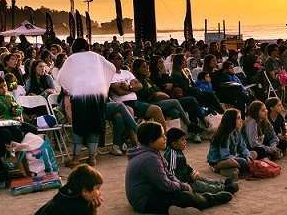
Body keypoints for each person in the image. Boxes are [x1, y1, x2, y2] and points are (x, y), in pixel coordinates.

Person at [125, 121, 233, 214]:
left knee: (183, 191)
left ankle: (175, 210)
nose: (165, 138)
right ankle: (213, 199)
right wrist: (184, 186)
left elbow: (168, 174)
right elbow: (166, 185)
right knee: (185, 197)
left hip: (153, 192)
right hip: (144, 201)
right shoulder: (149, 158)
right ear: (151, 141)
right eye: (161, 136)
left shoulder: (151, 152)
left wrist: (181, 184)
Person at [56, 38, 116, 167]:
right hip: (98, 94)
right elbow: (112, 68)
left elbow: (60, 77)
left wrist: (71, 88)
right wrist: (103, 84)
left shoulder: (72, 58)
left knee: (79, 126)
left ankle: (76, 159)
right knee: (95, 125)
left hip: (80, 94)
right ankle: (92, 157)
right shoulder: (97, 56)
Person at [164, 127, 236, 194]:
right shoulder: (172, 154)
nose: (185, 141)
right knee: (201, 186)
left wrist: (191, 171)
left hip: (186, 178)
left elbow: (184, 165)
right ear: (174, 144)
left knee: (203, 179)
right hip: (182, 184)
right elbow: (172, 175)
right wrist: (189, 178)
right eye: (182, 140)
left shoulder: (177, 150)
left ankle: (224, 182)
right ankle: (224, 188)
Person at [35, 163, 104, 215]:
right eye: (98, 188)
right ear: (85, 191)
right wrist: (93, 211)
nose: (100, 193)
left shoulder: (63, 196)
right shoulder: (79, 209)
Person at [206, 109, 253, 178]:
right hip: (220, 161)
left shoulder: (237, 132)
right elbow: (225, 156)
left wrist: (247, 157)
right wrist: (243, 161)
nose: (241, 120)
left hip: (231, 157)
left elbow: (242, 147)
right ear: (231, 120)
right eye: (238, 118)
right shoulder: (224, 135)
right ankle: (219, 168)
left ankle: (237, 169)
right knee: (231, 162)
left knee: (253, 153)